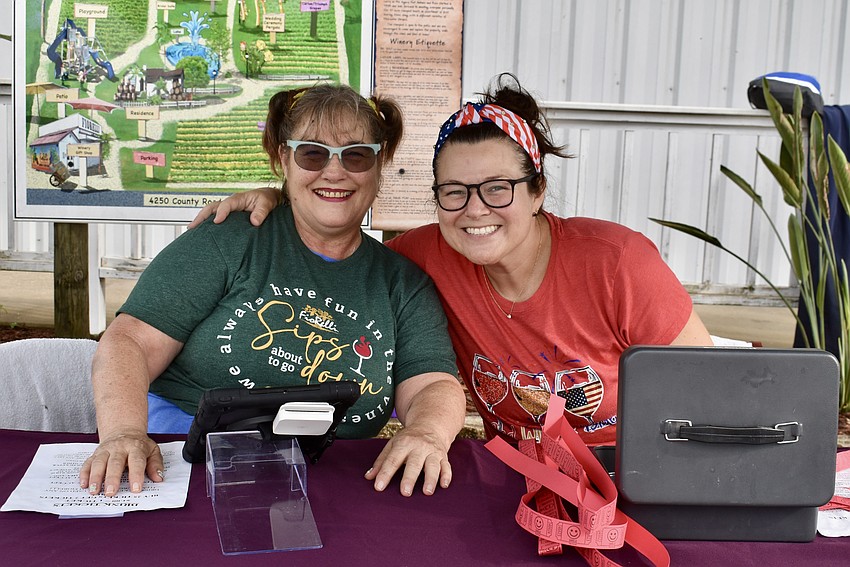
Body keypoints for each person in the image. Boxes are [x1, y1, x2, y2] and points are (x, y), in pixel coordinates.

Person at [191, 73, 713, 447]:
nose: (475, 210)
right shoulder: (424, 256)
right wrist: (281, 197)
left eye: (498, 188)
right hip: (515, 474)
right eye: (455, 191)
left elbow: (710, 390)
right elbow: (338, 249)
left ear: (538, 192)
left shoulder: (617, 263)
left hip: (634, 472)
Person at [79, 84, 467, 499]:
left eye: (356, 154)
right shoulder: (228, 240)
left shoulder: (402, 283)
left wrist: (427, 432)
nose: (334, 171)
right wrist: (124, 433)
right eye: (312, 154)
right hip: (179, 469)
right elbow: (130, 341)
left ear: (380, 163)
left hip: (334, 484)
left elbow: (432, 385)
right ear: (284, 159)